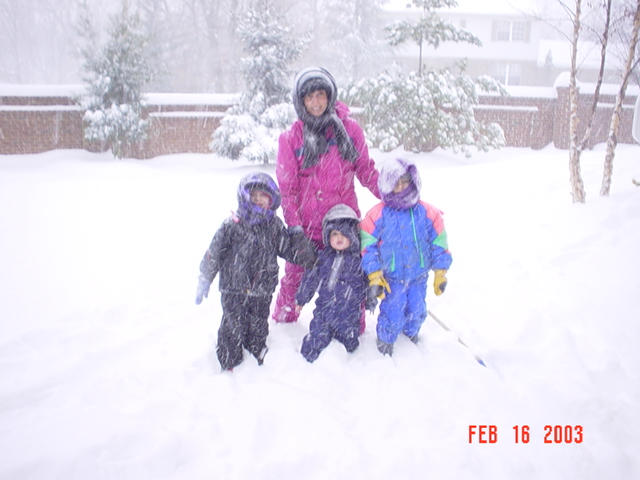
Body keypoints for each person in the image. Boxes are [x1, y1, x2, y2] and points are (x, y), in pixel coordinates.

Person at [273, 66, 380, 328]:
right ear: (301, 101)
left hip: (343, 225)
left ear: (329, 96)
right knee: (295, 280)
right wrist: (296, 230)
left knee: (350, 280)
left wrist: (393, 194)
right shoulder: (291, 138)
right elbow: (288, 191)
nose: (316, 102)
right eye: (309, 97)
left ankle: (353, 332)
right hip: (307, 227)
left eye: (321, 95)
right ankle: (285, 328)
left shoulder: (350, 131)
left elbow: (365, 169)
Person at [195, 172, 315, 371]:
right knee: (232, 324)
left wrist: (308, 256)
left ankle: (256, 349)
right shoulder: (231, 225)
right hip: (234, 288)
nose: (259, 200)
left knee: (258, 323)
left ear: (272, 200)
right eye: (254, 195)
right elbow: (214, 253)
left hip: (262, 289)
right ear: (245, 196)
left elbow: (288, 249)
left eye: (264, 196)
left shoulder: (274, 226)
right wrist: (205, 277)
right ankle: (229, 358)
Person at [360, 158, 453, 356]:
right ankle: (386, 338)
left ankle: (411, 332)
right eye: (396, 183)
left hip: (418, 276)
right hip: (392, 278)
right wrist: (374, 274)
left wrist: (440, 272)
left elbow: (439, 241)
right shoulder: (378, 214)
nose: (401, 187)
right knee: (392, 312)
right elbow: (367, 246)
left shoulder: (427, 212)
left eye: (405, 181)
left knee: (417, 310)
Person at [295, 204, 368, 362]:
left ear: (352, 236)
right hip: (324, 311)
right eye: (335, 234)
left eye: (344, 233)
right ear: (327, 236)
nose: (339, 238)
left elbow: (367, 282)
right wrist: (302, 298)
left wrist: (371, 297)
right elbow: (310, 279)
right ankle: (308, 364)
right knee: (314, 343)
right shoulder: (323, 258)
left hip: (349, 313)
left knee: (349, 344)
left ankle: (343, 363)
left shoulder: (359, 261)